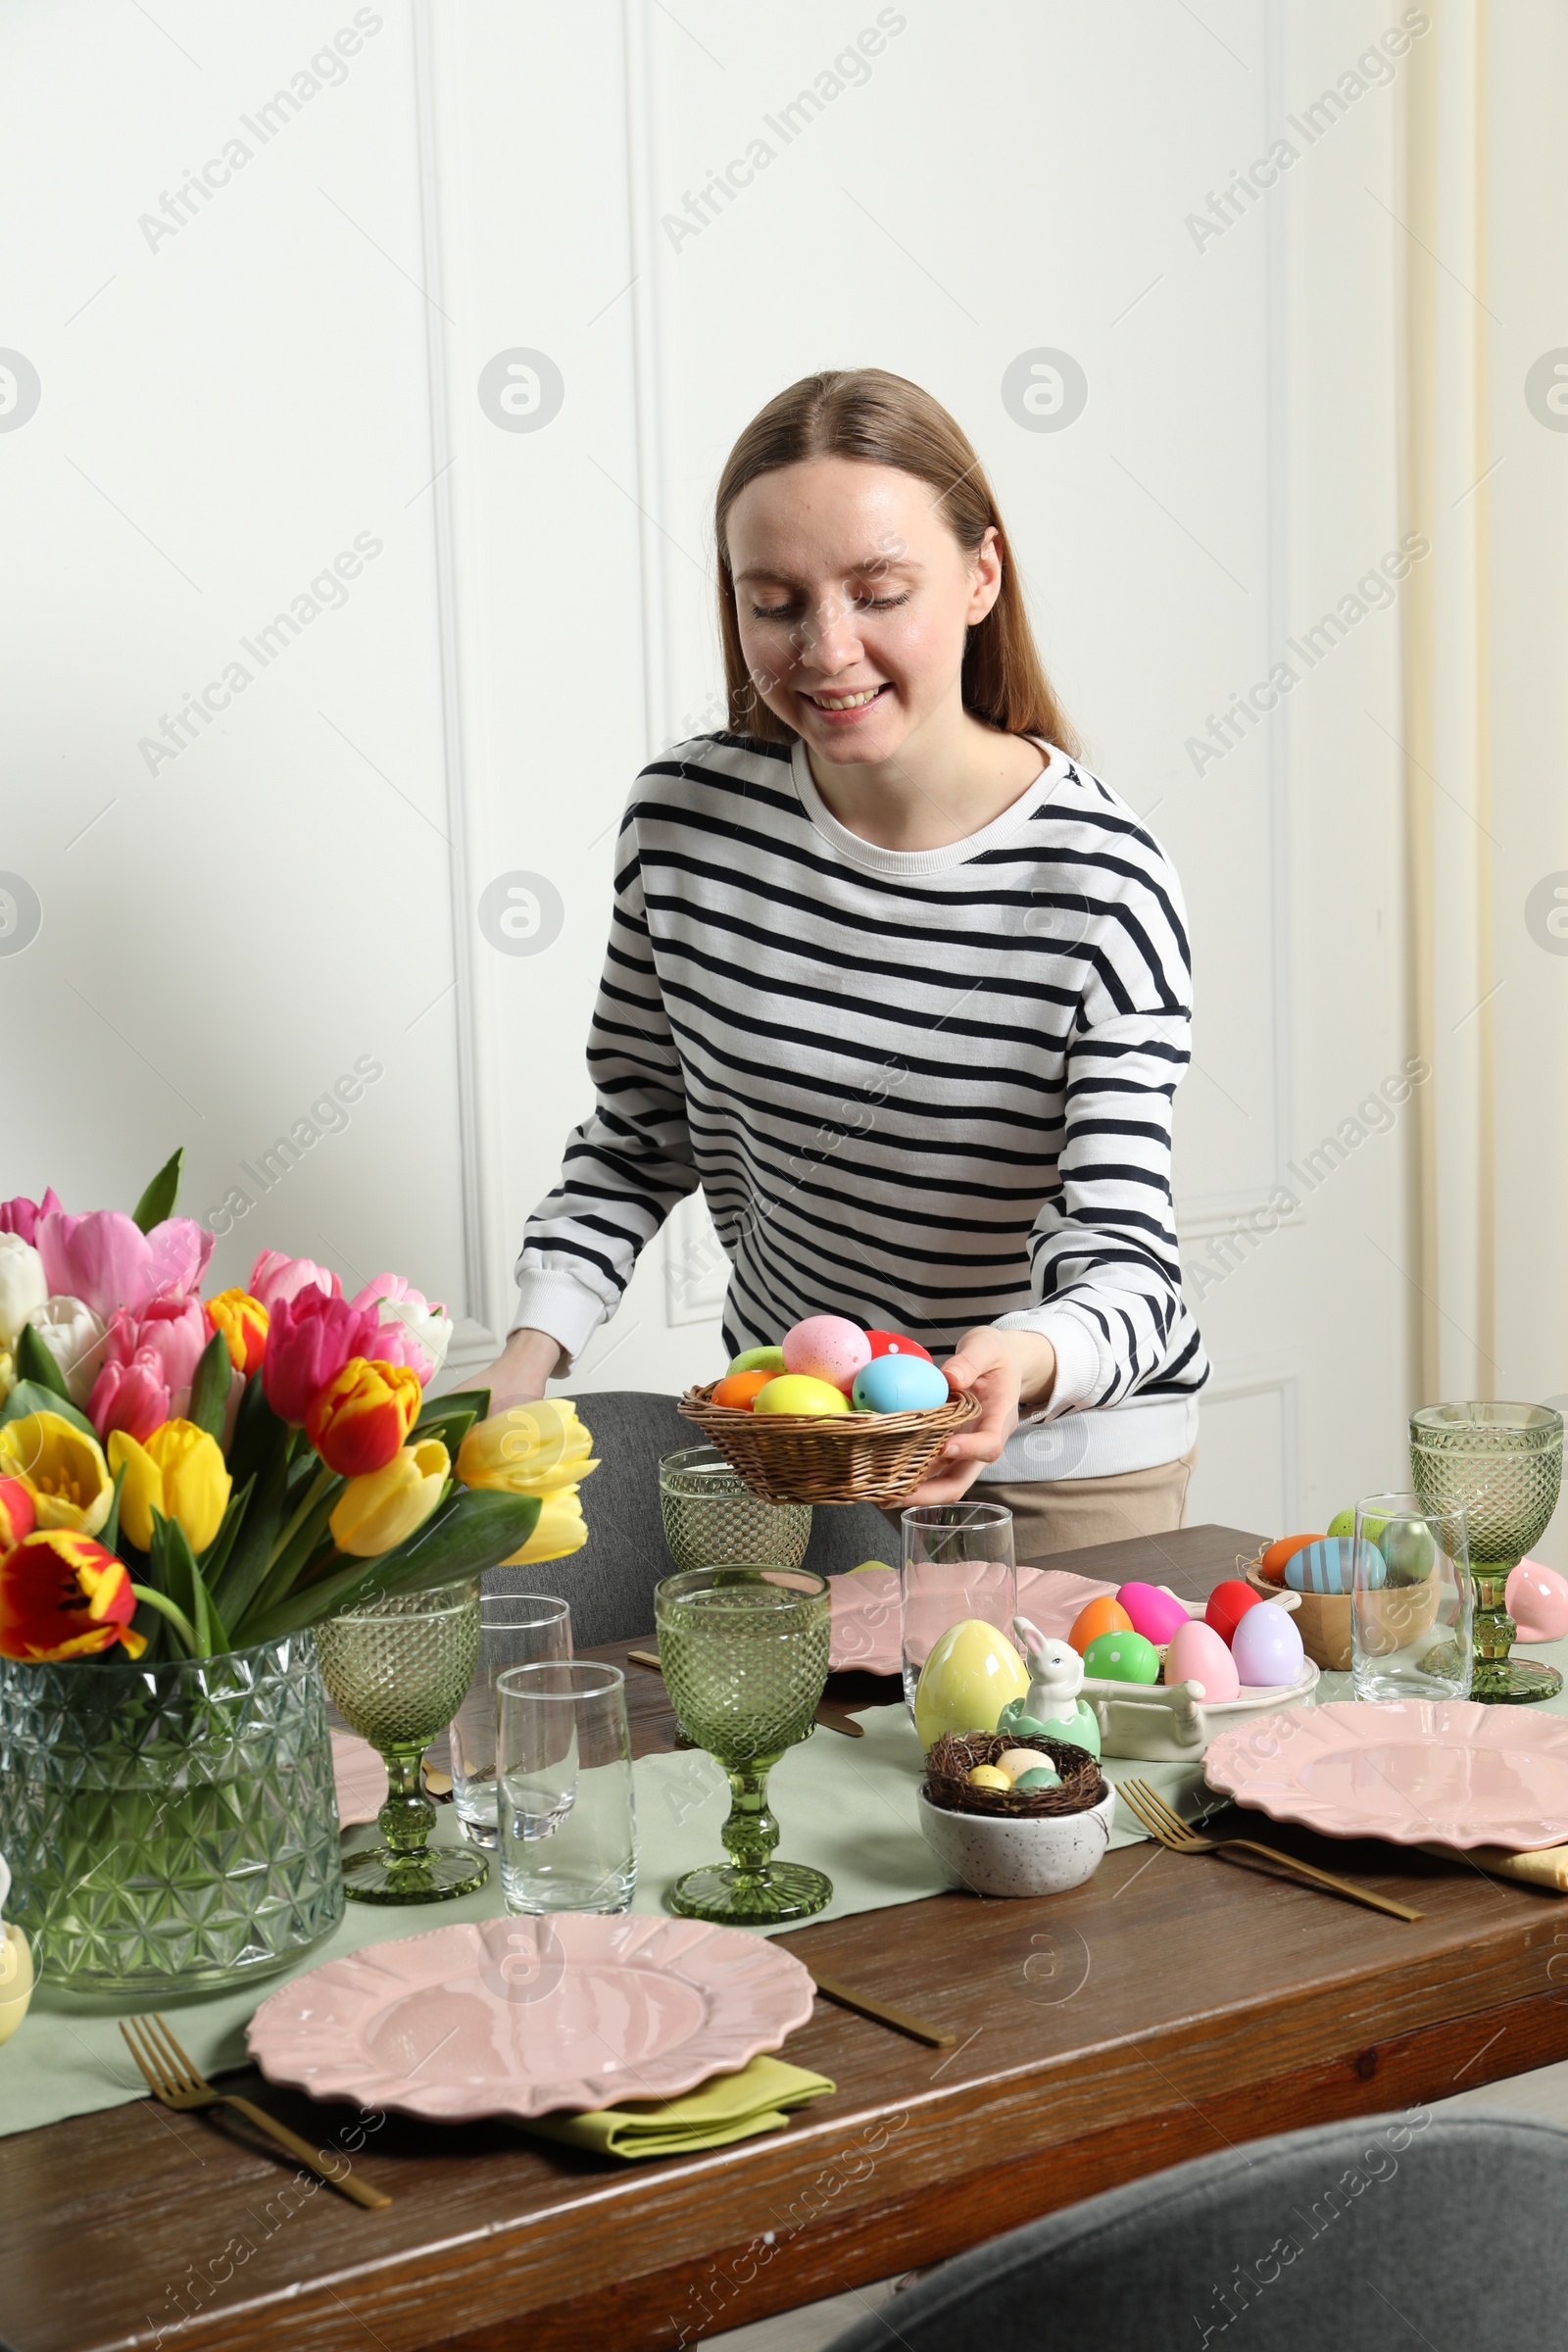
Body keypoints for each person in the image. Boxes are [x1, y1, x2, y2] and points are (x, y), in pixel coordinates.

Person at [476, 368, 1207, 1561]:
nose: (826, 651)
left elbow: (1126, 1259)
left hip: (1052, 1465)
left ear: (981, 576)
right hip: (799, 1448)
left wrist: (1015, 1363)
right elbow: (639, 1127)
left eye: (879, 593)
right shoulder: (684, 821)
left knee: (1030, 1758)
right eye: (775, 602)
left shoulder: (1099, 881)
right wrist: (527, 1355)